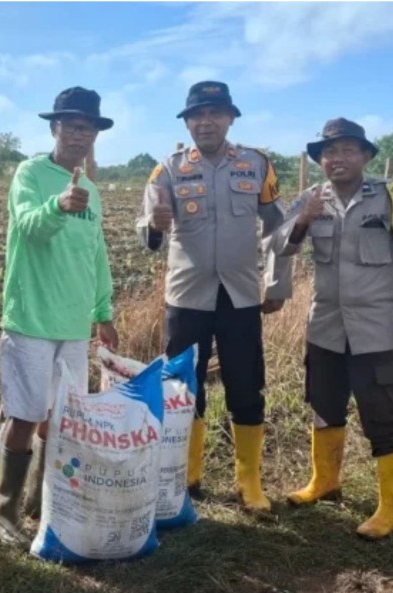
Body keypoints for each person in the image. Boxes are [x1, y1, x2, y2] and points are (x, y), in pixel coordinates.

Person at [272, 117, 393, 539]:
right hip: (325, 326)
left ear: (365, 156)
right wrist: (302, 221)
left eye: (347, 150)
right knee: (324, 405)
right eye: (329, 152)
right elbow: (276, 246)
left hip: (374, 328)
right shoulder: (311, 197)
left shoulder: (390, 195)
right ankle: (324, 481)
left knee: (382, 415)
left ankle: (390, 507)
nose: (337, 158)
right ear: (319, 160)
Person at [136, 81, 292, 513]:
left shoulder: (256, 165)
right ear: (186, 123)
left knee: (246, 385)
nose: (205, 122)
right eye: (196, 115)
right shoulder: (166, 169)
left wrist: (278, 284)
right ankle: (187, 476)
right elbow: (147, 227)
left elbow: (279, 230)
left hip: (240, 297)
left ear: (230, 118)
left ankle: (250, 483)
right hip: (186, 297)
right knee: (184, 389)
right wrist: (154, 223)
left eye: (214, 113)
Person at [0, 86, 119, 546]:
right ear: (55, 128)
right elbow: (28, 225)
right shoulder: (30, 174)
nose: (80, 135)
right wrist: (58, 206)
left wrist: (103, 311)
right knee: (25, 415)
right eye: (72, 126)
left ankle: (41, 502)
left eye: (89, 128)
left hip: (72, 325)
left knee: (59, 418)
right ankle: (4, 512)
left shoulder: (94, 191)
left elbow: (97, 255)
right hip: (30, 319)